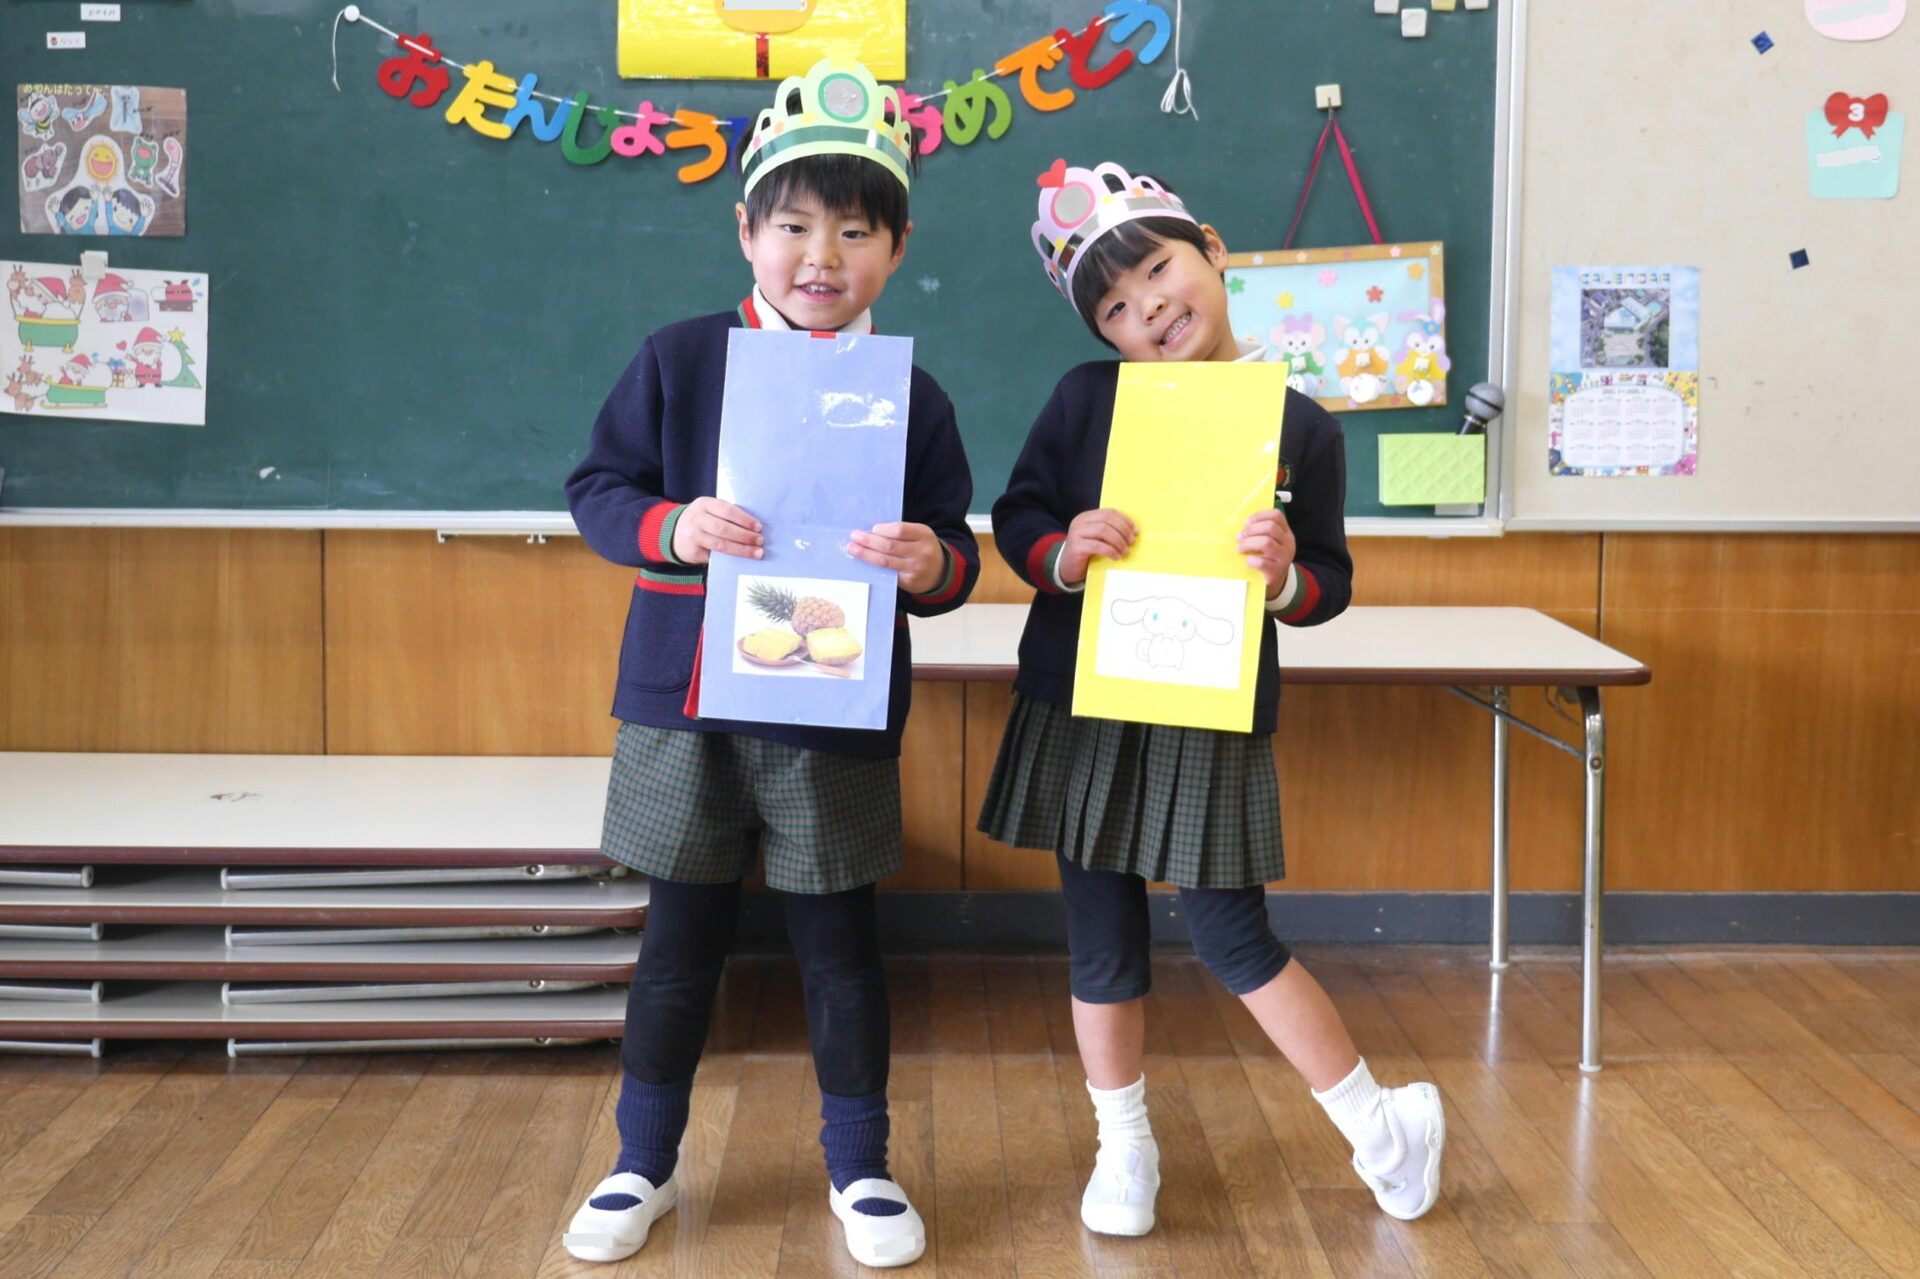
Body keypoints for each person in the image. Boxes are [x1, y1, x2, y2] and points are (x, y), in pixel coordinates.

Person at [561, 57, 978, 1269]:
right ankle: (642, 1161)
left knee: (839, 946)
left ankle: (861, 1166)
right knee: (677, 943)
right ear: (746, 231)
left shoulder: (910, 395)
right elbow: (598, 489)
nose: (821, 257)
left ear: (896, 248)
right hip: (684, 704)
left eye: (855, 231)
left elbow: (954, 552)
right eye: (793, 226)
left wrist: (930, 561)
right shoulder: (681, 358)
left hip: (828, 706)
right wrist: (674, 527)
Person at [980, 159, 1445, 1236]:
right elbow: (1019, 518)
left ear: (1214, 251)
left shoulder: (1301, 426)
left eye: (1156, 271)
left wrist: (1282, 576)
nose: (1145, 309)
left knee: (1234, 933)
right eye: (1113, 307)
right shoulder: (1087, 399)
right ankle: (1124, 1146)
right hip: (1087, 698)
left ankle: (1379, 1126)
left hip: (1208, 701)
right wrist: (1064, 549)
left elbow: (1328, 584)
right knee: (1101, 935)